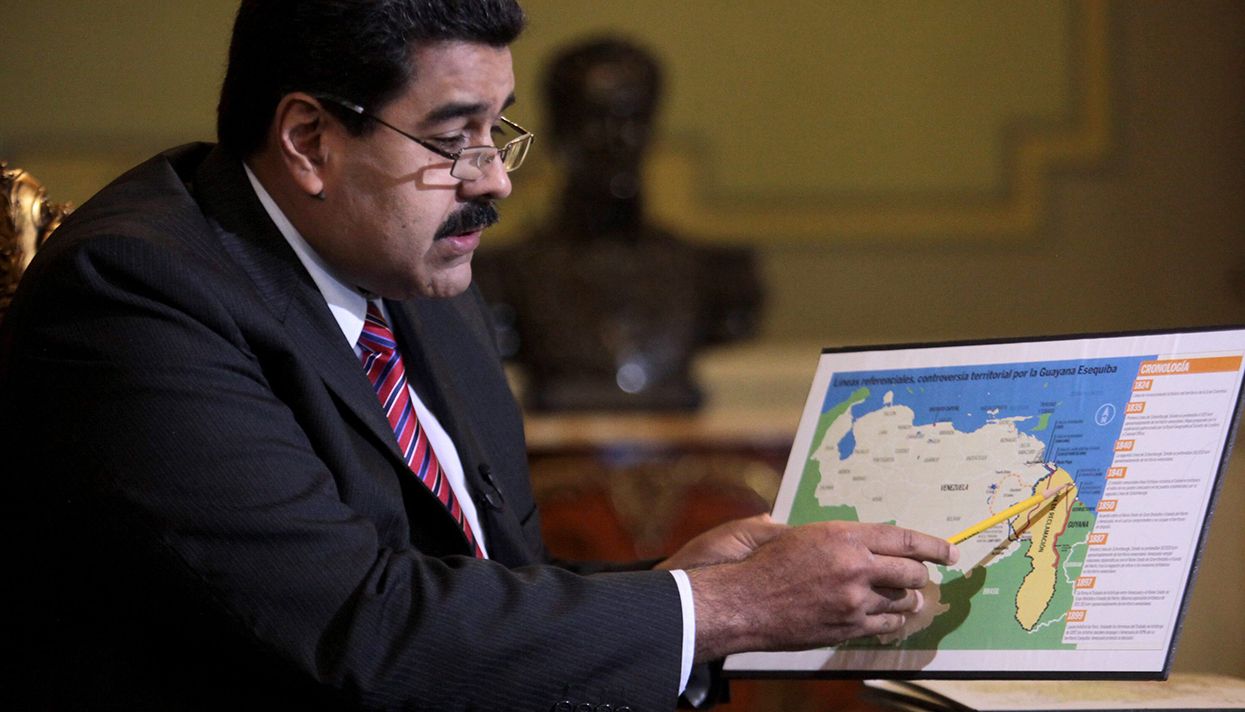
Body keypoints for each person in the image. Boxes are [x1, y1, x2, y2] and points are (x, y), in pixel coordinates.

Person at [0, 1, 956, 710]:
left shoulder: (417, 268)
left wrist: (675, 585)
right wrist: (721, 610)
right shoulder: (137, 297)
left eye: (496, 130)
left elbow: (479, 579)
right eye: (452, 138)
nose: (494, 178)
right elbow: (357, 630)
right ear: (308, 141)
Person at [474, 37, 763, 411]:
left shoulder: (718, 275)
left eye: (633, 119)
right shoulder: (500, 278)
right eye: (595, 120)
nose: (618, 140)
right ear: (558, 133)